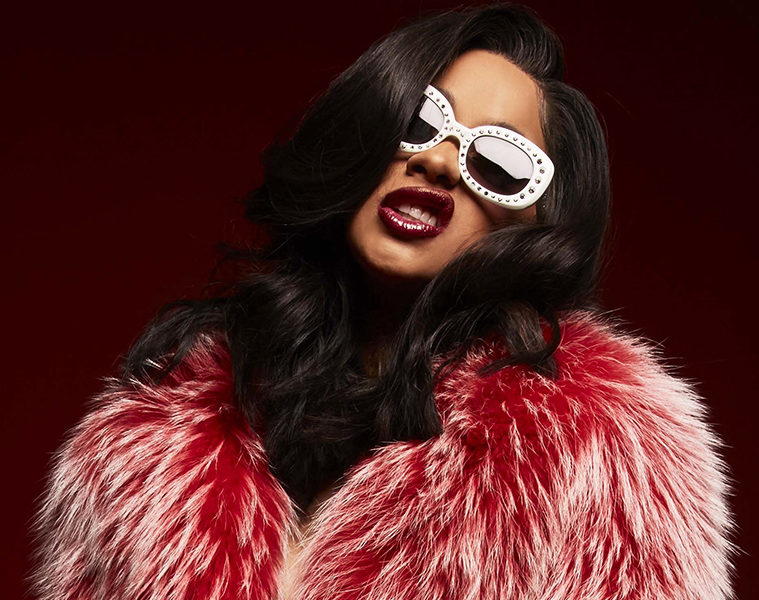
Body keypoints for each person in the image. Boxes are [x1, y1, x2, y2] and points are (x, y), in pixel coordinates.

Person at [30, 4, 735, 599]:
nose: (436, 161)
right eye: (418, 122)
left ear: (537, 221)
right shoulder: (145, 452)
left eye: (498, 163)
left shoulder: (597, 452)